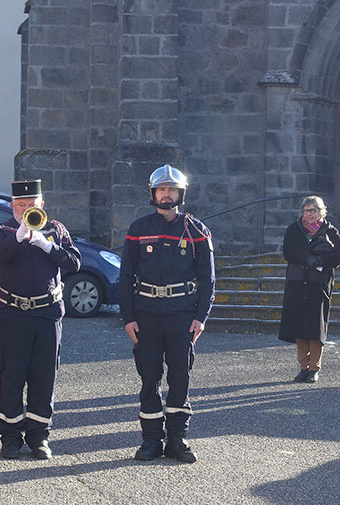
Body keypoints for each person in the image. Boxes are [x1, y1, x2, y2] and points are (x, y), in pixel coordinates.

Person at [119, 164, 215, 463]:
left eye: (171, 189)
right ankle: (150, 440)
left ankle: (177, 439)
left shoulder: (197, 231)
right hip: (146, 314)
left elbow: (208, 279)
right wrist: (128, 317)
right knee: (149, 378)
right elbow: (125, 276)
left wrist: (201, 317)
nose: (166, 194)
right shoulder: (138, 230)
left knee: (180, 378)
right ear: (153, 193)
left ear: (181, 193)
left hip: (181, 315)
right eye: (161, 189)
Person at [0, 180, 81, 461]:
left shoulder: (56, 229)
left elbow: (75, 262)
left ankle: (39, 437)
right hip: (14, 313)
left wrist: (45, 244)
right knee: (12, 375)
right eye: (21, 205)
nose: (26, 209)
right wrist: (18, 236)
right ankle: (11, 437)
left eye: (31, 205)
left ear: (41, 205)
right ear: (13, 206)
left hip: (47, 313)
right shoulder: (2, 230)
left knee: (44, 376)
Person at [279, 196, 340, 383]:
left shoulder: (330, 231)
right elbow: (288, 252)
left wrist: (321, 262)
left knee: (316, 328)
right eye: (306, 211)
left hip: (319, 284)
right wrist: (306, 259)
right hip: (297, 283)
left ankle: (314, 368)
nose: (309, 214)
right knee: (299, 327)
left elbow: (339, 254)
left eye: (313, 211)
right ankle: (303, 367)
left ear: (321, 212)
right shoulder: (294, 229)